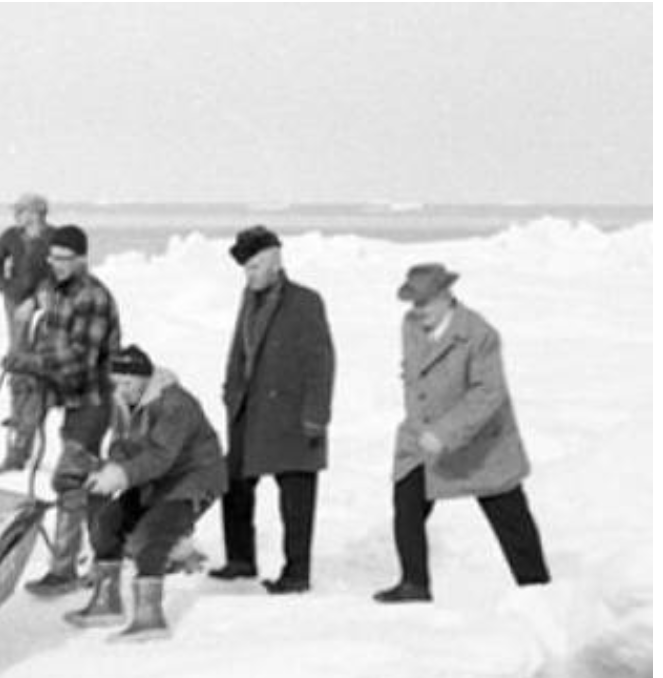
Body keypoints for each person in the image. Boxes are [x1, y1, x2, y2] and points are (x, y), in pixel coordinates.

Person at [375, 264, 549, 603]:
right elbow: (415, 374)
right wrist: (422, 426)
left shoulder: (479, 334)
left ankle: (538, 590)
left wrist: (445, 433)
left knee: (509, 515)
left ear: (444, 298)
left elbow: (488, 394)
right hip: (421, 439)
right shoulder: (411, 325)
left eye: (423, 304)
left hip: (480, 443)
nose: (417, 311)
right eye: (413, 304)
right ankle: (414, 583)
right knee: (407, 501)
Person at [66, 346, 227, 640]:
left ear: (145, 379)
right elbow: (121, 445)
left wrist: (121, 475)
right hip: (152, 480)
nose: (121, 390)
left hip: (191, 480)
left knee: (149, 537)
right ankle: (107, 602)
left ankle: (150, 617)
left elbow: (160, 456)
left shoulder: (176, 404)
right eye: (116, 382)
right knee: (106, 524)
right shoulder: (123, 403)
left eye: (127, 383)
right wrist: (109, 468)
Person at [212, 225, 336, 594]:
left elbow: (322, 361)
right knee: (233, 484)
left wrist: (317, 415)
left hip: (293, 418)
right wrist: (230, 391)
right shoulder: (248, 296)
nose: (248, 275)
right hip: (249, 414)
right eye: (245, 269)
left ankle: (297, 573)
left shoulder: (305, 301)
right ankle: (240, 559)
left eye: (253, 267)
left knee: (296, 499)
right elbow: (240, 349)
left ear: (273, 263)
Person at [4, 224, 123, 596]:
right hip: (70, 399)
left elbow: (77, 363)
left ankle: (64, 569)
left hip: (93, 398)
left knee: (70, 478)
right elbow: (47, 326)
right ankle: (112, 549)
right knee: (91, 482)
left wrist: (28, 362)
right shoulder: (56, 290)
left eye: (63, 259)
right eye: (51, 257)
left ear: (82, 259)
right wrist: (25, 319)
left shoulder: (93, 297)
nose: (54, 265)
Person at [0, 192, 55, 472]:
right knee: (18, 363)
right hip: (16, 298)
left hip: (43, 299)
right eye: (17, 212)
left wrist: (38, 300)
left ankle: (25, 442)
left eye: (23, 211)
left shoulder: (54, 236)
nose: (19, 216)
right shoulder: (11, 236)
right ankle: (16, 445)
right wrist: (5, 286)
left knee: (37, 372)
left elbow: (60, 273)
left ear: (38, 212)